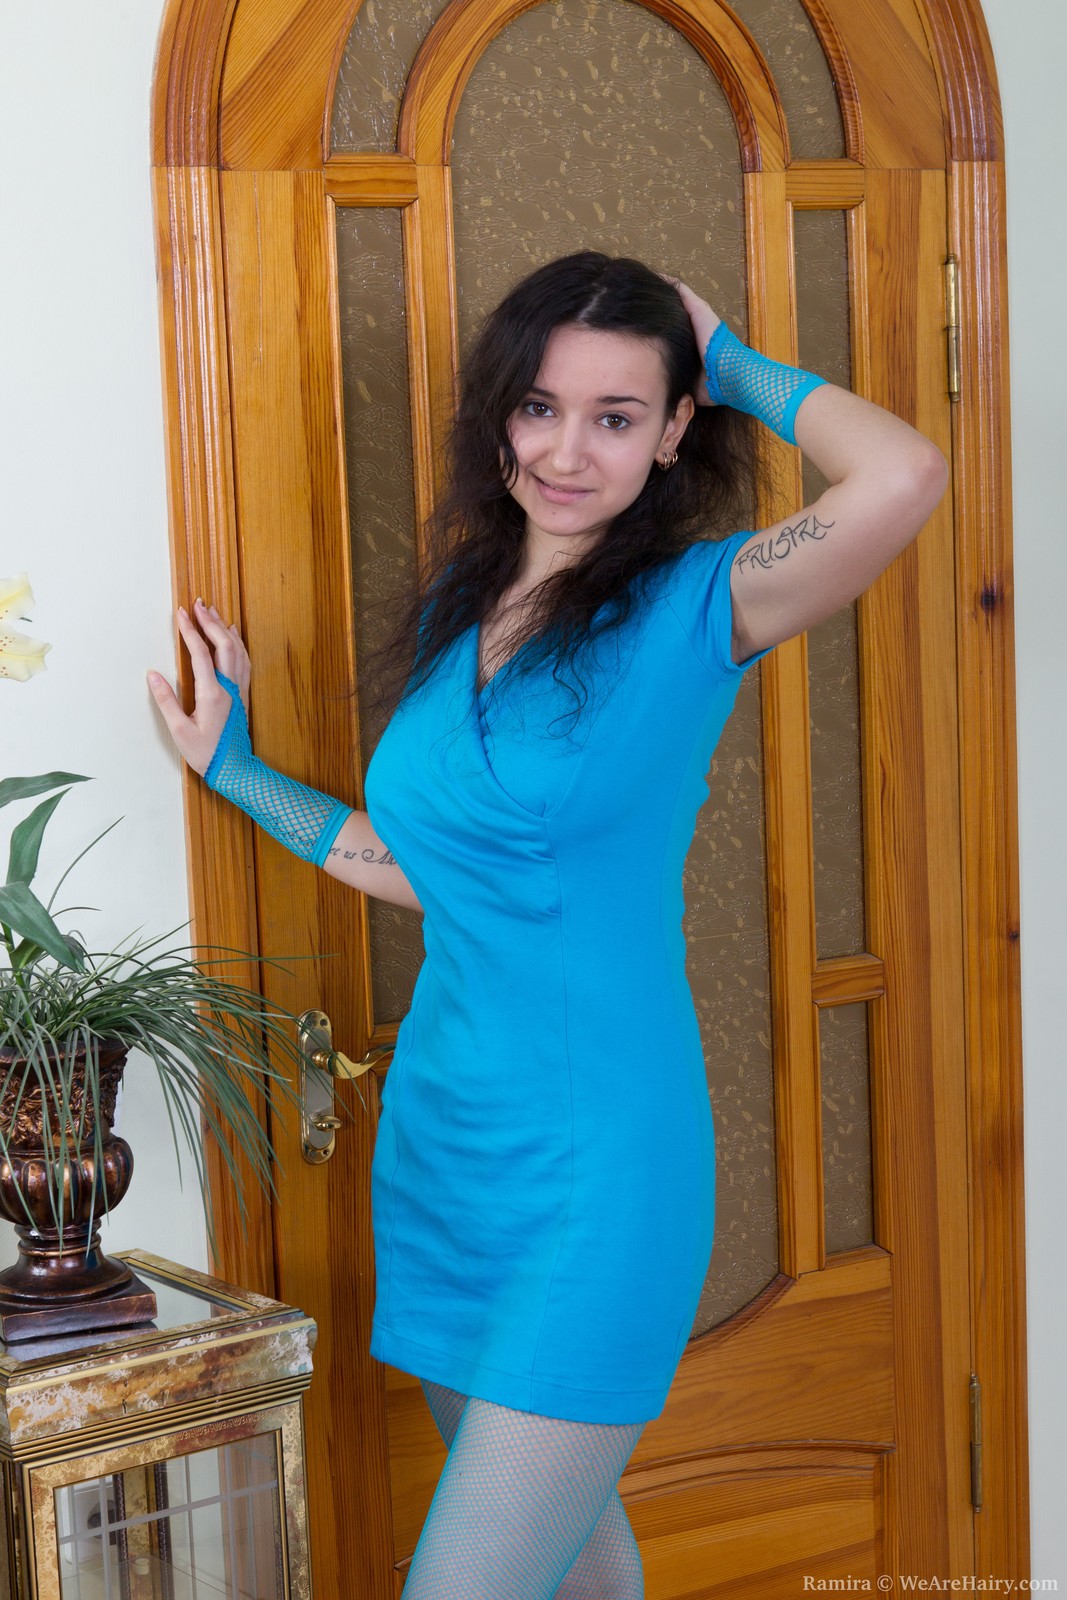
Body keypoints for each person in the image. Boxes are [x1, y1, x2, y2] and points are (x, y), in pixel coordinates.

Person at [147, 251, 947, 1599]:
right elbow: (433, 868)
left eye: (616, 416)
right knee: (577, 1570)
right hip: (448, 1155)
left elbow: (905, 476)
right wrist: (239, 774)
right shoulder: (464, 606)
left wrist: (734, 361)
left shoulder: (703, 604)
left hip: (598, 1176)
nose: (567, 451)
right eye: (538, 406)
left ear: (674, 429)